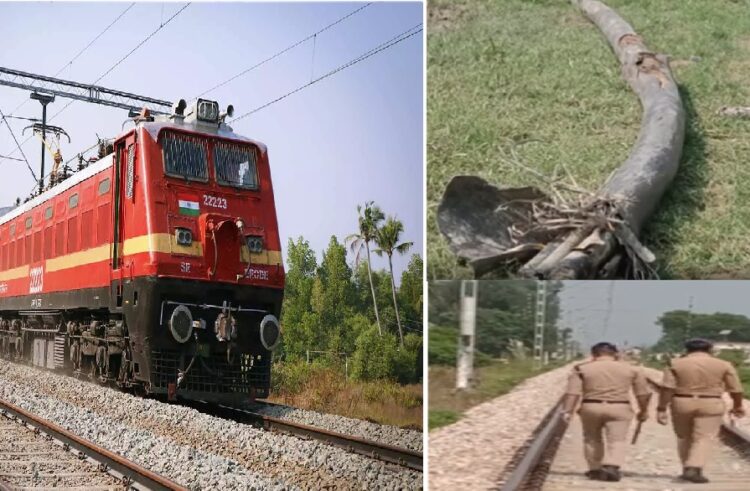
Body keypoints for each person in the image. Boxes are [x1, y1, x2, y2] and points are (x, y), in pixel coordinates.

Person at [657, 338, 746, 483]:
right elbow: (735, 389)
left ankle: (687, 467)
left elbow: (667, 388)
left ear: (687, 350)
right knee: (704, 437)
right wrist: (738, 406)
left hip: (682, 401)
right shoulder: (723, 364)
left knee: (684, 436)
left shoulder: (675, 364)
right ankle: (694, 467)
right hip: (711, 402)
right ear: (710, 349)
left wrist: (661, 408)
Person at [561, 342, 651, 482]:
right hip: (620, 407)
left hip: (591, 407)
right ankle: (612, 466)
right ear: (615, 354)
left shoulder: (581, 369)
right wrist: (643, 410)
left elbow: (572, 393)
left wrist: (567, 410)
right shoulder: (632, 369)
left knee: (591, 438)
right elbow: (642, 394)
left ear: (594, 354)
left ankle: (595, 469)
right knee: (617, 439)